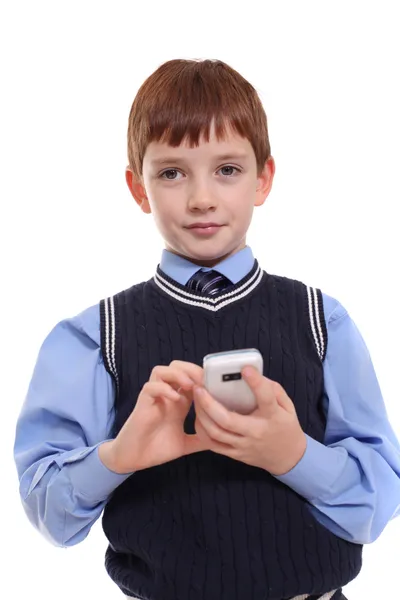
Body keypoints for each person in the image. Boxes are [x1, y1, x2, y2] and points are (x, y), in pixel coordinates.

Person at [14, 58, 400, 600]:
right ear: (138, 188)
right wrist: (118, 457)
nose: (201, 198)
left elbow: (377, 506)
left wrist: (293, 456)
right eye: (172, 173)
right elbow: (48, 515)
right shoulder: (93, 339)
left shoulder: (322, 321)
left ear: (263, 178)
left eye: (228, 169)